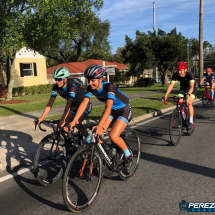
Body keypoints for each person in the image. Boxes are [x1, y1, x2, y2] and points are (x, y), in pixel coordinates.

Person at [66, 64, 133, 166]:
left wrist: (101, 124)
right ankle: (105, 157)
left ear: (101, 79)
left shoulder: (109, 87)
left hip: (124, 109)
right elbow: (84, 104)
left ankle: (128, 154)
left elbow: (108, 107)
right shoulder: (91, 88)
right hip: (111, 111)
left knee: (113, 136)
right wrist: (74, 121)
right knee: (97, 135)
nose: (90, 83)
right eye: (89, 80)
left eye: (93, 80)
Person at [33, 67, 92, 145]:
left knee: (76, 122)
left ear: (65, 79)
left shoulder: (72, 86)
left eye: (59, 79)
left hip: (85, 105)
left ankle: (88, 137)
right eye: (56, 79)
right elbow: (50, 103)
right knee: (62, 127)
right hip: (74, 106)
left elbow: (69, 104)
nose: (57, 81)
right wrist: (42, 117)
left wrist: (63, 119)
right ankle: (69, 149)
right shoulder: (56, 87)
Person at [162, 61, 197, 130]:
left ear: (185, 70)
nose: (179, 72)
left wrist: (188, 95)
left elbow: (191, 86)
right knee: (179, 101)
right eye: (178, 70)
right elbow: (171, 85)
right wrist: (165, 95)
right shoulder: (175, 75)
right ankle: (183, 119)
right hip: (182, 89)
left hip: (191, 90)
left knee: (188, 102)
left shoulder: (190, 74)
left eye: (181, 70)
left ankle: (190, 122)